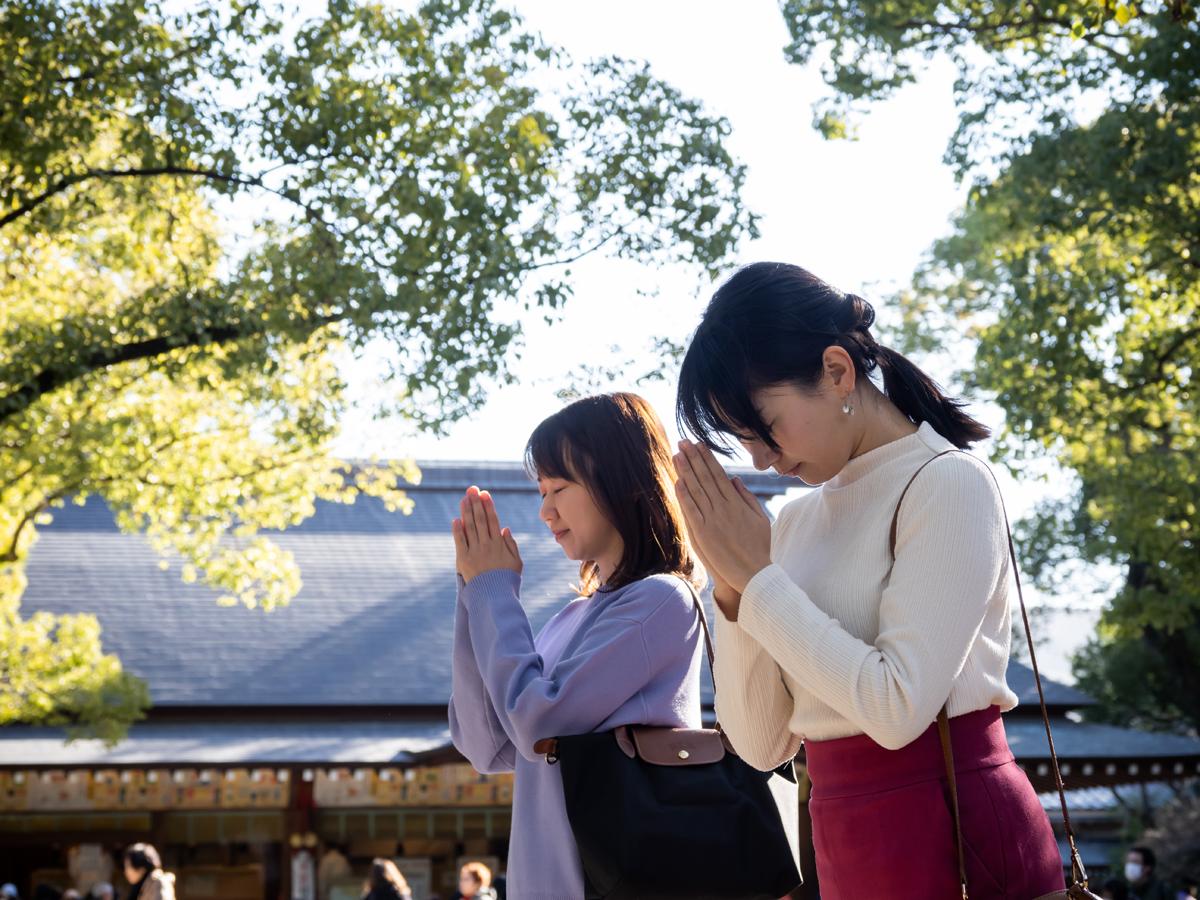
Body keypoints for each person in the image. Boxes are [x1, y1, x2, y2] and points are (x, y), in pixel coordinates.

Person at [673, 262, 1065, 899]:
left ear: (836, 371)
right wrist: (730, 587)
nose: (760, 459)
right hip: (844, 838)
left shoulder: (948, 483)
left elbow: (896, 708)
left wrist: (759, 579)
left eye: (763, 427)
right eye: (743, 440)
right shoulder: (794, 523)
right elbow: (763, 745)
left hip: (957, 834)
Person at [448, 392, 706, 898]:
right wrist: (474, 592)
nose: (545, 511)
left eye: (559, 487)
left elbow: (540, 724)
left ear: (621, 479)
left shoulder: (660, 599)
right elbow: (485, 743)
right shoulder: (573, 616)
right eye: (541, 491)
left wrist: (494, 593)